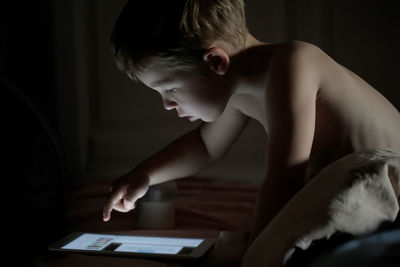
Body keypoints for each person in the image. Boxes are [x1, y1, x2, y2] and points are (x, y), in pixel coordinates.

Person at [103, 0, 400, 249]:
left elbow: (286, 176)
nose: (167, 103)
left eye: (170, 88)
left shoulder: (294, 63)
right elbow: (205, 146)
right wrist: (143, 174)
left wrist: (258, 251)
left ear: (216, 62)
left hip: (390, 182)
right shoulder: (235, 88)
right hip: (354, 188)